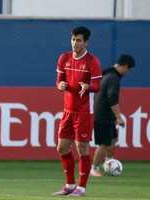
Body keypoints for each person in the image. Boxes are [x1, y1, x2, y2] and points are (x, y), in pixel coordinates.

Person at [53, 26, 102, 197]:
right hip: (67, 111)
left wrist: (88, 87)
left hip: (84, 112)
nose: (75, 43)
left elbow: (98, 86)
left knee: (82, 148)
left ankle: (81, 188)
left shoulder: (92, 61)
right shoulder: (64, 58)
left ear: (86, 42)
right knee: (62, 148)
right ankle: (69, 185)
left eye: (79, 40)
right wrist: (60, 85)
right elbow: (59, 80)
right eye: (73, 39)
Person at [90, 54, 135, 177]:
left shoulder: (108, 73)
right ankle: (93, 169)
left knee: (113, 140)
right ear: (124, 67)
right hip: (102, 114)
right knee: (103, 144)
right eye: (129, 70)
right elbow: (112, 98)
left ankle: (108, 163)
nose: (128, 72)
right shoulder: (113, 77)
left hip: (105, 114)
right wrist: (119, 117)